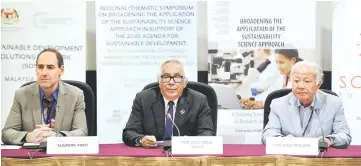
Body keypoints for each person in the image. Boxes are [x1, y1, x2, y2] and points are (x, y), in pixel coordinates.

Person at [2, 48, 88, 145]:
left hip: (62, 156)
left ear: (61, 70)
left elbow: (81, 132)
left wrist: (56, 137)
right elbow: (7, 133)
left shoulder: (75, 95)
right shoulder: (21, 95)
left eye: (50, 67)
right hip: (31, 157)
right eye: (40, 67)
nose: (44, 72)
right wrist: (27, 137)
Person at [122, 59, 215, 148]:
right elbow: (129, 132)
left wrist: (189, 143)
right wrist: (141, 140)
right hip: (153, 156)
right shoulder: (143, 99)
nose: (171, 82)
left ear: (185, 83)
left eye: (177, 77)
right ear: (159, 82)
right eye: (166, 77)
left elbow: (207, 133)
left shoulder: (199, 100)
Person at [262, 61, 352, 148]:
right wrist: (288, 142)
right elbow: (268, 135)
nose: (300, 86)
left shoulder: (334, 103)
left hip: (320, 158)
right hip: (289, 158)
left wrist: (329, 140)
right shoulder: (278, 104)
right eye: (296, 81)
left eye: (307, 81)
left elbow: (344, 136)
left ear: (318, 84)